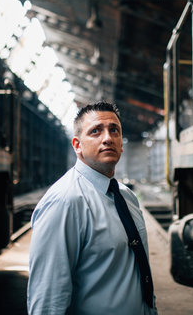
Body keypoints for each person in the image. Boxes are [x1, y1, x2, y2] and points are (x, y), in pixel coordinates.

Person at [27, 101, 158, 315]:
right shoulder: (65, 202)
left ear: (121, 143)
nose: (107, 138)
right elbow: (48, 300)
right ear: (77, 145)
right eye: (95, 131)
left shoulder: (127, 197)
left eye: (113, 130)